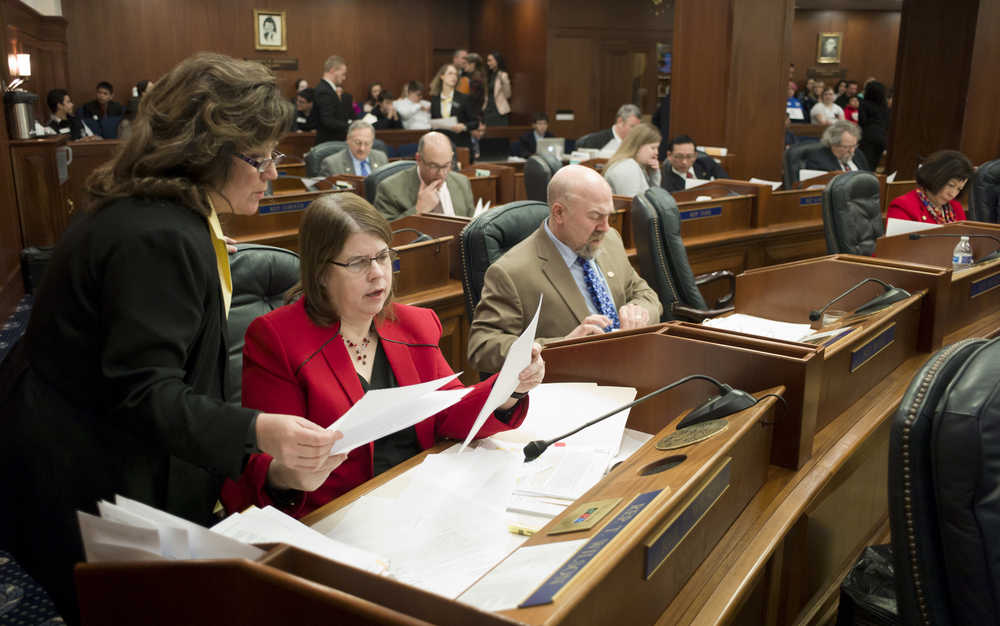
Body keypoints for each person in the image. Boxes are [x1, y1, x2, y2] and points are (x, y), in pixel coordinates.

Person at [1, 52, 340, 619]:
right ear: (207, 152)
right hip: (75, 468)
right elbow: (143, 392)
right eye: (260, 158)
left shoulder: (160, 211)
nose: (272, 173)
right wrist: (257, 430)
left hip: (65, 433)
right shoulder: (158, 237)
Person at [220, 194, 543, 517]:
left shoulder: (415, 324)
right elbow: (261, 464)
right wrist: (289, 475)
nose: (378, 274)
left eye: (383, 256)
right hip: (334, 516)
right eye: (358, 262)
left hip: (418, 499)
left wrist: (510, 388)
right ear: (320, 272)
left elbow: (449, 411)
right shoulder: (277, 338)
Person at [468, 165, 662, 374]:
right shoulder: (510, 272)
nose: (605, 227)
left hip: (631, 367)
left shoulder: (610, 240)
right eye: (595, 216)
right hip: (570, 381)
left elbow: (645, 294)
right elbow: (482, 346)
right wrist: (562, 346)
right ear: (559, 212)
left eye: (608, 216)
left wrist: (640, 312)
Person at [373, 131, 474, 219]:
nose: (441, 174)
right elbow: (386, 231)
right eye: (434, 166)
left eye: (446, 165)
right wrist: (419, 210)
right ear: (418, 159)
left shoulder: (462, 182)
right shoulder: (390, 189)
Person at [887, 150, 972, 224]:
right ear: (935, 176)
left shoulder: (956, 208)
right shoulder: (903, 206)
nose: (952, 194)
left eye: (959, 189)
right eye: (951, 185)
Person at [602, 122, 662, 196]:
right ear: (638, 146)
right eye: (653, 148)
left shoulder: (636, 165)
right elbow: (631, 201)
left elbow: (654, 198)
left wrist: (654, 175)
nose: (656, 152)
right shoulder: (626, 167)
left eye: (657, 148)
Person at [429, 63, 480, 149]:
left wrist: (463, 126)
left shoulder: (464, 98)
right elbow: (434, 123)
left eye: (456, 74)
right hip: (441, 145)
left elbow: (475, 122)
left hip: (460, 143)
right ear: (442, 76)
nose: (454, 77)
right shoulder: (435, 100)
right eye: (450, 73)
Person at [319, 120, 388, 177]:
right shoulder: (332, 164)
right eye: (357, 143)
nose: (362, 148)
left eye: (367, 143)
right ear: (348, 140)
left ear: (372, 142)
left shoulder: (381, 158)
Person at [661, 134, 728, 192]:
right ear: (669, 155)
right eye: (679, 156)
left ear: (695, 155)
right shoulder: (664, 180)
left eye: (689, 156)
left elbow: (726, 183)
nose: (684, 162)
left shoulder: (706, 163)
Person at [314, 54, 353, 144]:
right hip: (329, 142)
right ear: (333, 70)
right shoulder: (324, 90)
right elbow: (328, 121)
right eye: (343, 74)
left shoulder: (328, 89)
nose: (344, 78)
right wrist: (351, 126)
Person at [803, 120, 869, 172]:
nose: (852, 150)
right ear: (833, 144)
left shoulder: (858, 154)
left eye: (854, 146)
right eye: (846, 147)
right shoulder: (818, 161)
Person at [575, 103, 642, 153]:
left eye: (638, 127)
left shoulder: (638, 143)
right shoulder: (593, 141)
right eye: (632, 126)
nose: (636, 131)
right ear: (620, 122)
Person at [858, 81, 890, 173]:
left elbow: (862, 121)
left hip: (868, 136)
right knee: (875, 163)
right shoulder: (885, 106)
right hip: (882, 136)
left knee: (865, 164)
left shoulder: (864, 104)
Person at [483, 51, 511, 126]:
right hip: (488, 109)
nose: (488, 63)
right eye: (487, 61)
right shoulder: (488, 75)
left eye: (490, 60)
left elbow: (508, 95)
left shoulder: (503, 75)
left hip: (499, 110)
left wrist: (504, 81)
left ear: (497, 61)